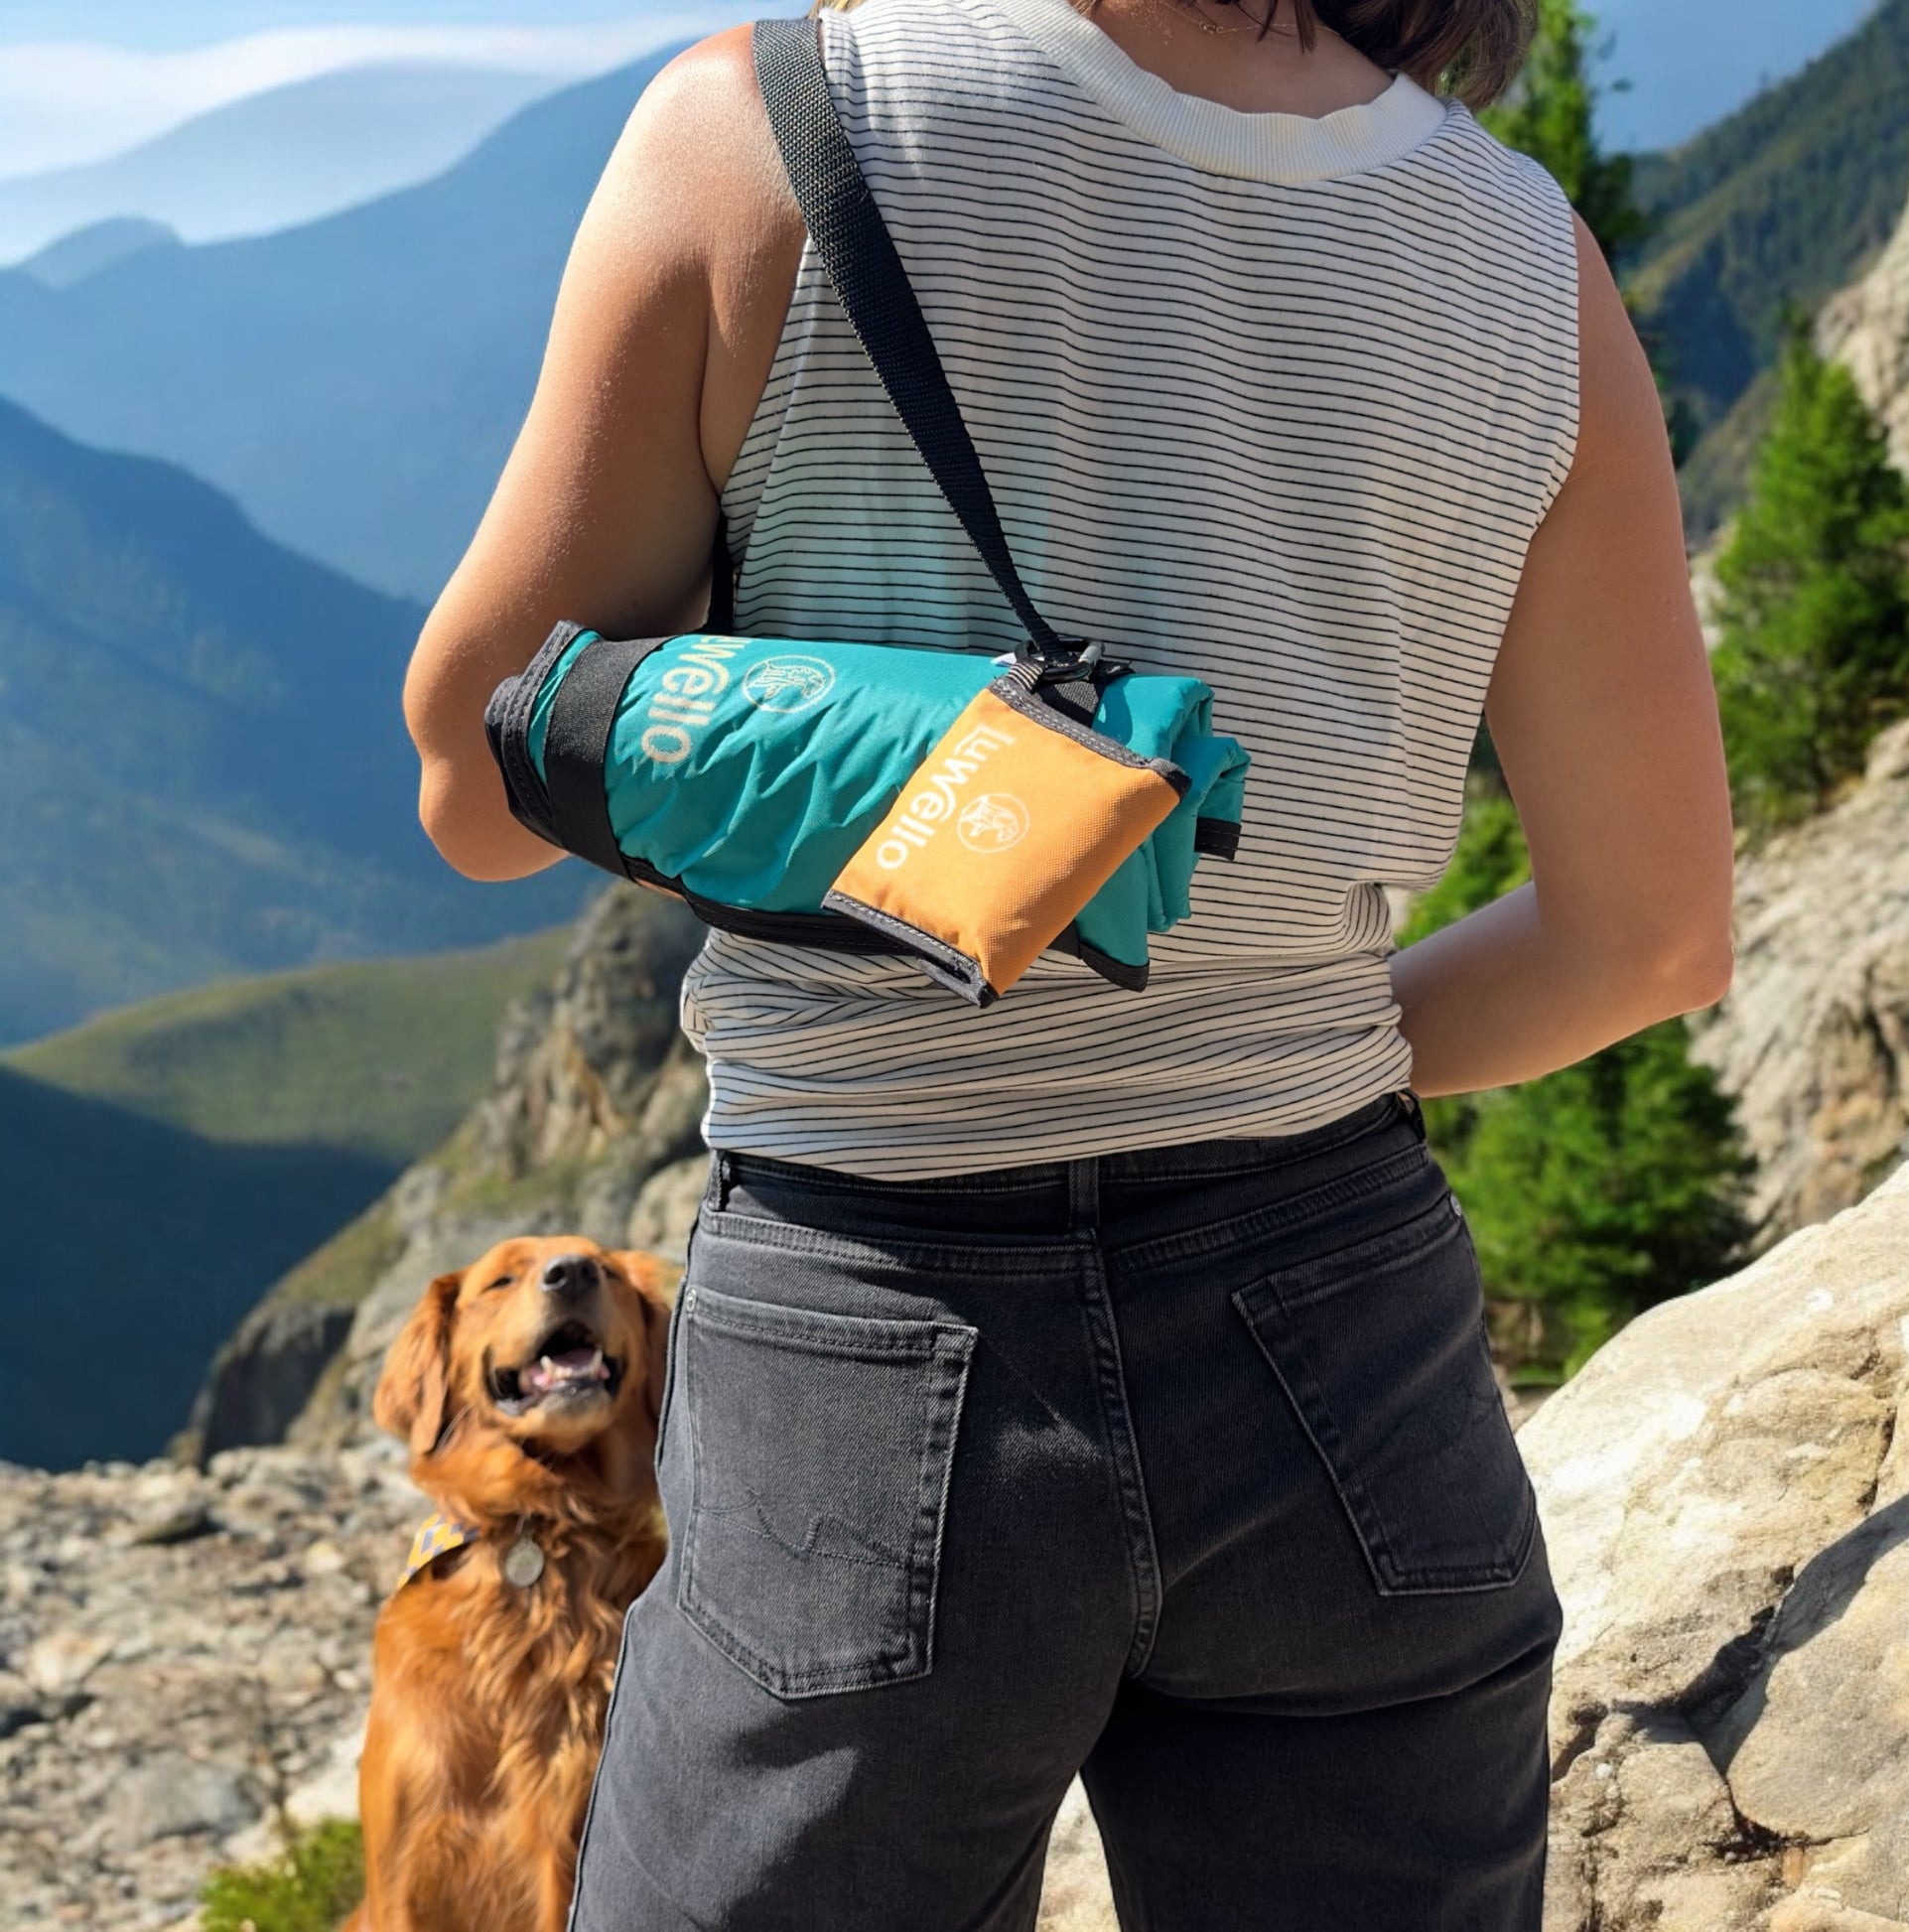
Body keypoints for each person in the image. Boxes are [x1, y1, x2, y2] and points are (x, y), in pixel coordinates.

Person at [402, 0, 1734, 1923]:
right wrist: (1261, 1064)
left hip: (869, 1332)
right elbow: (1653, 930)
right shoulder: (1531, 261)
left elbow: (473, 775)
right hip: (1348, 1342)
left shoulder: (767, 128)